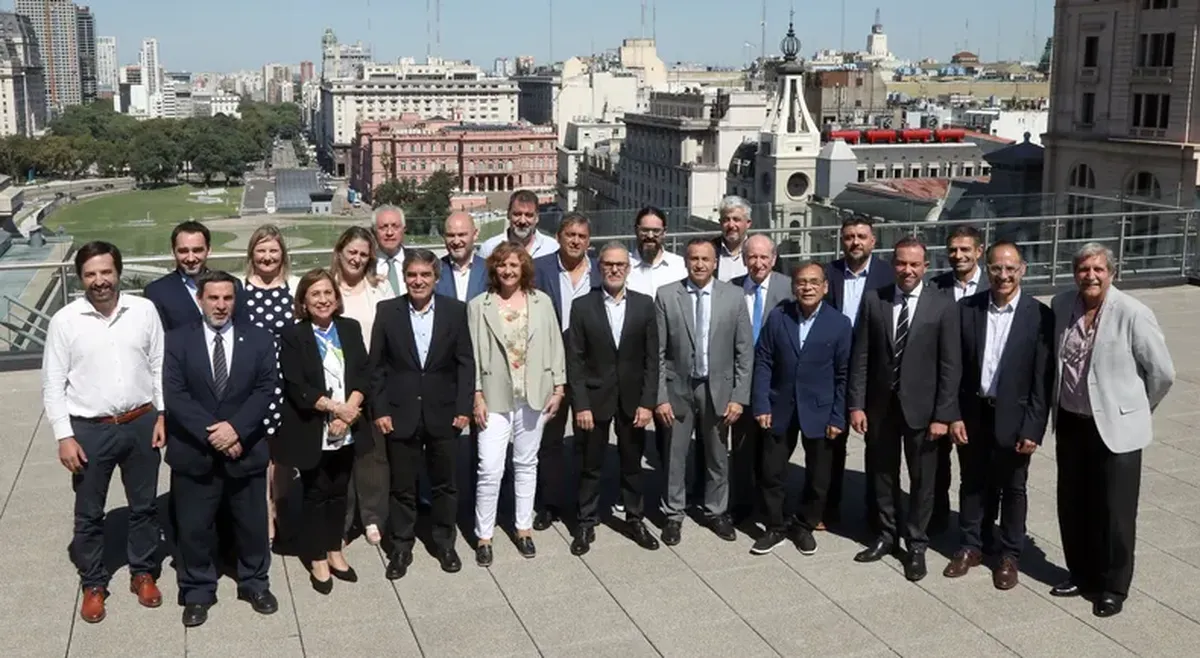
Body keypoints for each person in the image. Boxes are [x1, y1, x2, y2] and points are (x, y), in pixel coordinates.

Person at [42, 241, 166, 624]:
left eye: (106, 272)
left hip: (142, 421)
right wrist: (64, 436)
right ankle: (94, 583)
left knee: (144, 506)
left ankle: (142, 572)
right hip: (89, 430)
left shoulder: (143, 310)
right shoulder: (65, 320)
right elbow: (52, 383)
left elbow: (159, 364)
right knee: (89, 512)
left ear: (119, 272)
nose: (100, 281)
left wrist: (163, 415)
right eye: (91, 274)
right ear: (81, 278)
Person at [1051, 242, 1175, 618]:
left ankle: (1112, 586)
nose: (1090, 276)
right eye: (1084, 269)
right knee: (1074, 504)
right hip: (1072, 421)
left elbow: (1163, 373)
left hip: (1117, 428)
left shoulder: (1133, 313)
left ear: (1112, 273)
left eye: (1098, 270)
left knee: (1116, 511)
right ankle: (1081, 574)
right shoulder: (1061, 305)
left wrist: (1136, 409)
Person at [163, 270, 279, 627]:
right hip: (195, 451)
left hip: (244, 449)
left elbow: (265, 389)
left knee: (251, 524)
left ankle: (254, 583)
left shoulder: (259, 339)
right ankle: (197, 590)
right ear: (200, 300)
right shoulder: (177, 340)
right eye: (213, 298)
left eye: (227, 298)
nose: (221, 305)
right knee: (195, 527)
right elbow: (175, 394)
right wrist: (213, 433)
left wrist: (236, 430)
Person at [848, 237, 961, 582]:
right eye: (901, 263)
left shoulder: (942, 306)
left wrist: (944, 414)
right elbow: (861, 357)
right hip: (881, 408)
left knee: (923, 479)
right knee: (882, 474)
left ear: (926, 267)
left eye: (914, 264)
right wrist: (856, 404)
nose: (907, 270)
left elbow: (950, 366)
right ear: (892, 264)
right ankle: (885, 535)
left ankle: (916, 544)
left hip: (924, 412)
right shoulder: (874, 300)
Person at [944, 242, 1053, 590]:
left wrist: (1034, 427)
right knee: (972, 482)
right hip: (974, 414)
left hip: (1016, 419)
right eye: (996, 269)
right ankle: (971, 546)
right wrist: (954, 415)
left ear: (1023, 270)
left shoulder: (1039, 316)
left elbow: (1041, 379)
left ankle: (1009, 555)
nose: (1003, 276)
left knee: (1013, 487)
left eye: (1010, 269)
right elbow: (955, 368)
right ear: (985, 269)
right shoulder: (967, 309)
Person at [372, 249, 474, 579]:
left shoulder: (455, 311)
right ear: (405, 276)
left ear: (436, 278)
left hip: (443, 412)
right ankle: (401, 547)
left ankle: (444, 542)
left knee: (445, 484)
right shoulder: (387, 312)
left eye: (425, 275)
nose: (418, 281)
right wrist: (381, 409)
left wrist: (463, 407)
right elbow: (376, 367)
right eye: (413, 275)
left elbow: (465, 363)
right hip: (400, 413)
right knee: (402, 486)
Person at [468, 241, 566, 566]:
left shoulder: (542, 302)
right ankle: (484, 535)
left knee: (526, 464)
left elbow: (555, 346)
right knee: (490, 467)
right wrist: (476, 394)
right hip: (494, 398)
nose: (508, 271)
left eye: (514, 265)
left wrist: (559, 387)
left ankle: (523, 528)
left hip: (533, 394)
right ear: (494, 269)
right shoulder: (479, 305)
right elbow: (473, 356)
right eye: (502, 265)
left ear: (524, 267)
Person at [655, 238, 754, 546]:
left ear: (715, 263)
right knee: (675, 454)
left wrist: (739, 397)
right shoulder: (667, 295)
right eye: (694, 258)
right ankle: (673, 513)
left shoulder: (734, 296)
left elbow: (744, 351)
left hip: (719, 388)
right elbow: (657, 353)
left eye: (705, 259)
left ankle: (715, 511)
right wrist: (659, 397)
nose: (699, 264)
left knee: (716, 454)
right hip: (678, 388)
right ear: (686, 261)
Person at [277, 269, 371, 594]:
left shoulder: (349, 328)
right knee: (315, 493)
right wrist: (335, 409)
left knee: (339, 490)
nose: (323, 299)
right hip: (313, 426)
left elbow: (363, 372)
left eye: (328, 293)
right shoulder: (294, 335)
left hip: (347, 425)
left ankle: (335, 549)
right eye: (315, 294)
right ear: (304, 300)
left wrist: (349, 412)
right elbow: (296, 386)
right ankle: (317, 555)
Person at [750, 261, 852, 557]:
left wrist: (837, 415)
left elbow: (844, 374)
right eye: (801, 282)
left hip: (820, 411)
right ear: (793, 286)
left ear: (825, 287)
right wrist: (761, 403)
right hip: (779, 406)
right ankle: (775, 526)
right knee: (772, 472)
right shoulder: (779, 316)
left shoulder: (839, 323)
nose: (807, 287)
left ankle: (804, 525)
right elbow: (764, 361)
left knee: (819, 477)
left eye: (813, 282)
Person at [565, 242, 660, 555]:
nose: (615, 269)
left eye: (620, 264)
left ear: (628, 269)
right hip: (594, 400)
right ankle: (585, 521)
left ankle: (634, 518)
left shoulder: (645, 306)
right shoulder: (582, 306)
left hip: (633, 401)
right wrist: (580, 404)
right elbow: (574, 361)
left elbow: (651, 360)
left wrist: (648, 402)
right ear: (599, 267)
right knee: (590, 465)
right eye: (608, 264)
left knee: (631, 463)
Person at [822, 215, 894, 529]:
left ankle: (875, 515)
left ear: (873, 241)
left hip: (874, 371)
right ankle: (828, 508)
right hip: (834, 370)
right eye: (850, 236)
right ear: (842, 240)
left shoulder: (889, 276)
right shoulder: (828, 273)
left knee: (877, 447)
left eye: (861, 236)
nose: (855, 242)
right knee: (831, 443)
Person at [531, 212, 601, 530]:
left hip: (590, 369)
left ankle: (586, 503)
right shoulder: (540, 269)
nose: (575, 241)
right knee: (551, 439)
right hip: (550, 369)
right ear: (558, 236)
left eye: (582, 236)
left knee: (589, 439)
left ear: (589, 241)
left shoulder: (601, 271)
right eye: (570, 234)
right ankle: (550, 503)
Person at [330, 226, 395, 547]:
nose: (356, 259)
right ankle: (341, 520)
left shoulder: (378, 290)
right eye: (351, 252)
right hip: (335, 387)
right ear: (339, 251)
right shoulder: (326, 288)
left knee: (372, 455)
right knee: (338, 456)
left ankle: (372, 516)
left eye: (363, 254)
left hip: (373, 383)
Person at [928, 225, 988, 534]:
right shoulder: (935, 287)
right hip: (941, 392)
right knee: (937, 464)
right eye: (953, 249)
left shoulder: (996, 285)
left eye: (965, 249)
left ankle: (975, 531)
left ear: (979, 251)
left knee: (974, 469)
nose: (958, 255)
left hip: (978, 395)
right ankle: (937, 520)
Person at [728, 234, 792, 523]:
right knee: (741, 448)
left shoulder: (789, 289)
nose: (758, 263)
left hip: (776, 384)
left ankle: (771, 508)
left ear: (774, 259)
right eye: (752, 257)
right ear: (743, 259)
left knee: (773, 451)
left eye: (764, 257)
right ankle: (741, 505)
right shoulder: (731, 289)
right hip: (740, 382)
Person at [241, 225, 296, 545]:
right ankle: (262, 514)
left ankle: (280, 508)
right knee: (258, 453)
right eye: (261, 250)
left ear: (282, 254)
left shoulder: (293, 287)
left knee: (283, 455)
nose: (267, 257)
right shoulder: (240, 290)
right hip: (253, 384)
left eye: (273, 250)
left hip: (286, 382)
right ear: (252, 254)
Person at [144, 220, 250, 331]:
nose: (191, 258)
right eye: (183, 251)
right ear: (173, 252)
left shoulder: (232, 284)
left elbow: (243, 329)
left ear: (208, 250)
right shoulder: (157, 292)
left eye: (197, 250)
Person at [626, 206, 687, 299]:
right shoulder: (623, 266)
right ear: (636, 230)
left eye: (656, 231)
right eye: (645, 230)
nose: (650, 236)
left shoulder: (680, 266)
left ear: (664, 232)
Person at [478, 189, 560, 259]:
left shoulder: (552, 248)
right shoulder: (489, 248)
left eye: (528, 215)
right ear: (508, 214)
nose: (522, 221)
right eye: (517, 214)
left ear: (537, 218)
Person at [436, 211, 488, 301]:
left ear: (475, 234)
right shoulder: (434, 270)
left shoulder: (489, 270)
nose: (456, 241)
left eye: (461, 235)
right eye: (451, 235)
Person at [711, 195, 752, 282]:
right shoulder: (710, 249)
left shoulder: (762, 250)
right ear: (720, 223)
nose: (731, 225)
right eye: (726, 220)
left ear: (748, 223)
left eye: (736, 219)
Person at [373, 205, 408, 297]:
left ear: (404, 230)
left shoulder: (417, 260)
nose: (389, 233)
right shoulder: (366, 266)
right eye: (383, 227)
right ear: (373, 231)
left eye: (395, 227)